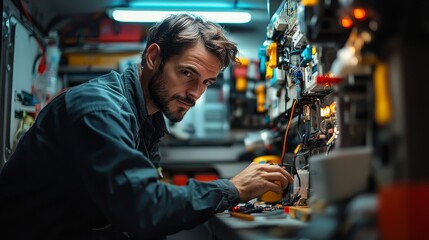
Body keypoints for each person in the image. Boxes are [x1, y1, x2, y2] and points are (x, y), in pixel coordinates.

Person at [0, 13, 293, 240]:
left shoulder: (147, 121)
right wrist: (233, 188)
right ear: (154, 58)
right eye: (187, 73)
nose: (196, 93)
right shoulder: (100, 109)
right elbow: (143, 207)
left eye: (206, 82)